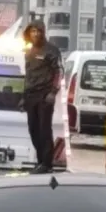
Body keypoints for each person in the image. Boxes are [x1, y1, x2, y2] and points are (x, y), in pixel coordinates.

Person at [21, 19, 62, 173]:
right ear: (28, 33)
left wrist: (53, 92)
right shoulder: (29, 52)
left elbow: (59, 72)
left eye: (38, 31)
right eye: (33, 31)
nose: (35, 34)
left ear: (43, 32)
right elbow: (28, 76)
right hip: (31, 96)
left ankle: (46, 163)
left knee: (44, 130)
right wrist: (23, 97)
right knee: (33, 130)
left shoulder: (52, 50)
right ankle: (39, 161)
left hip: (45, 95)